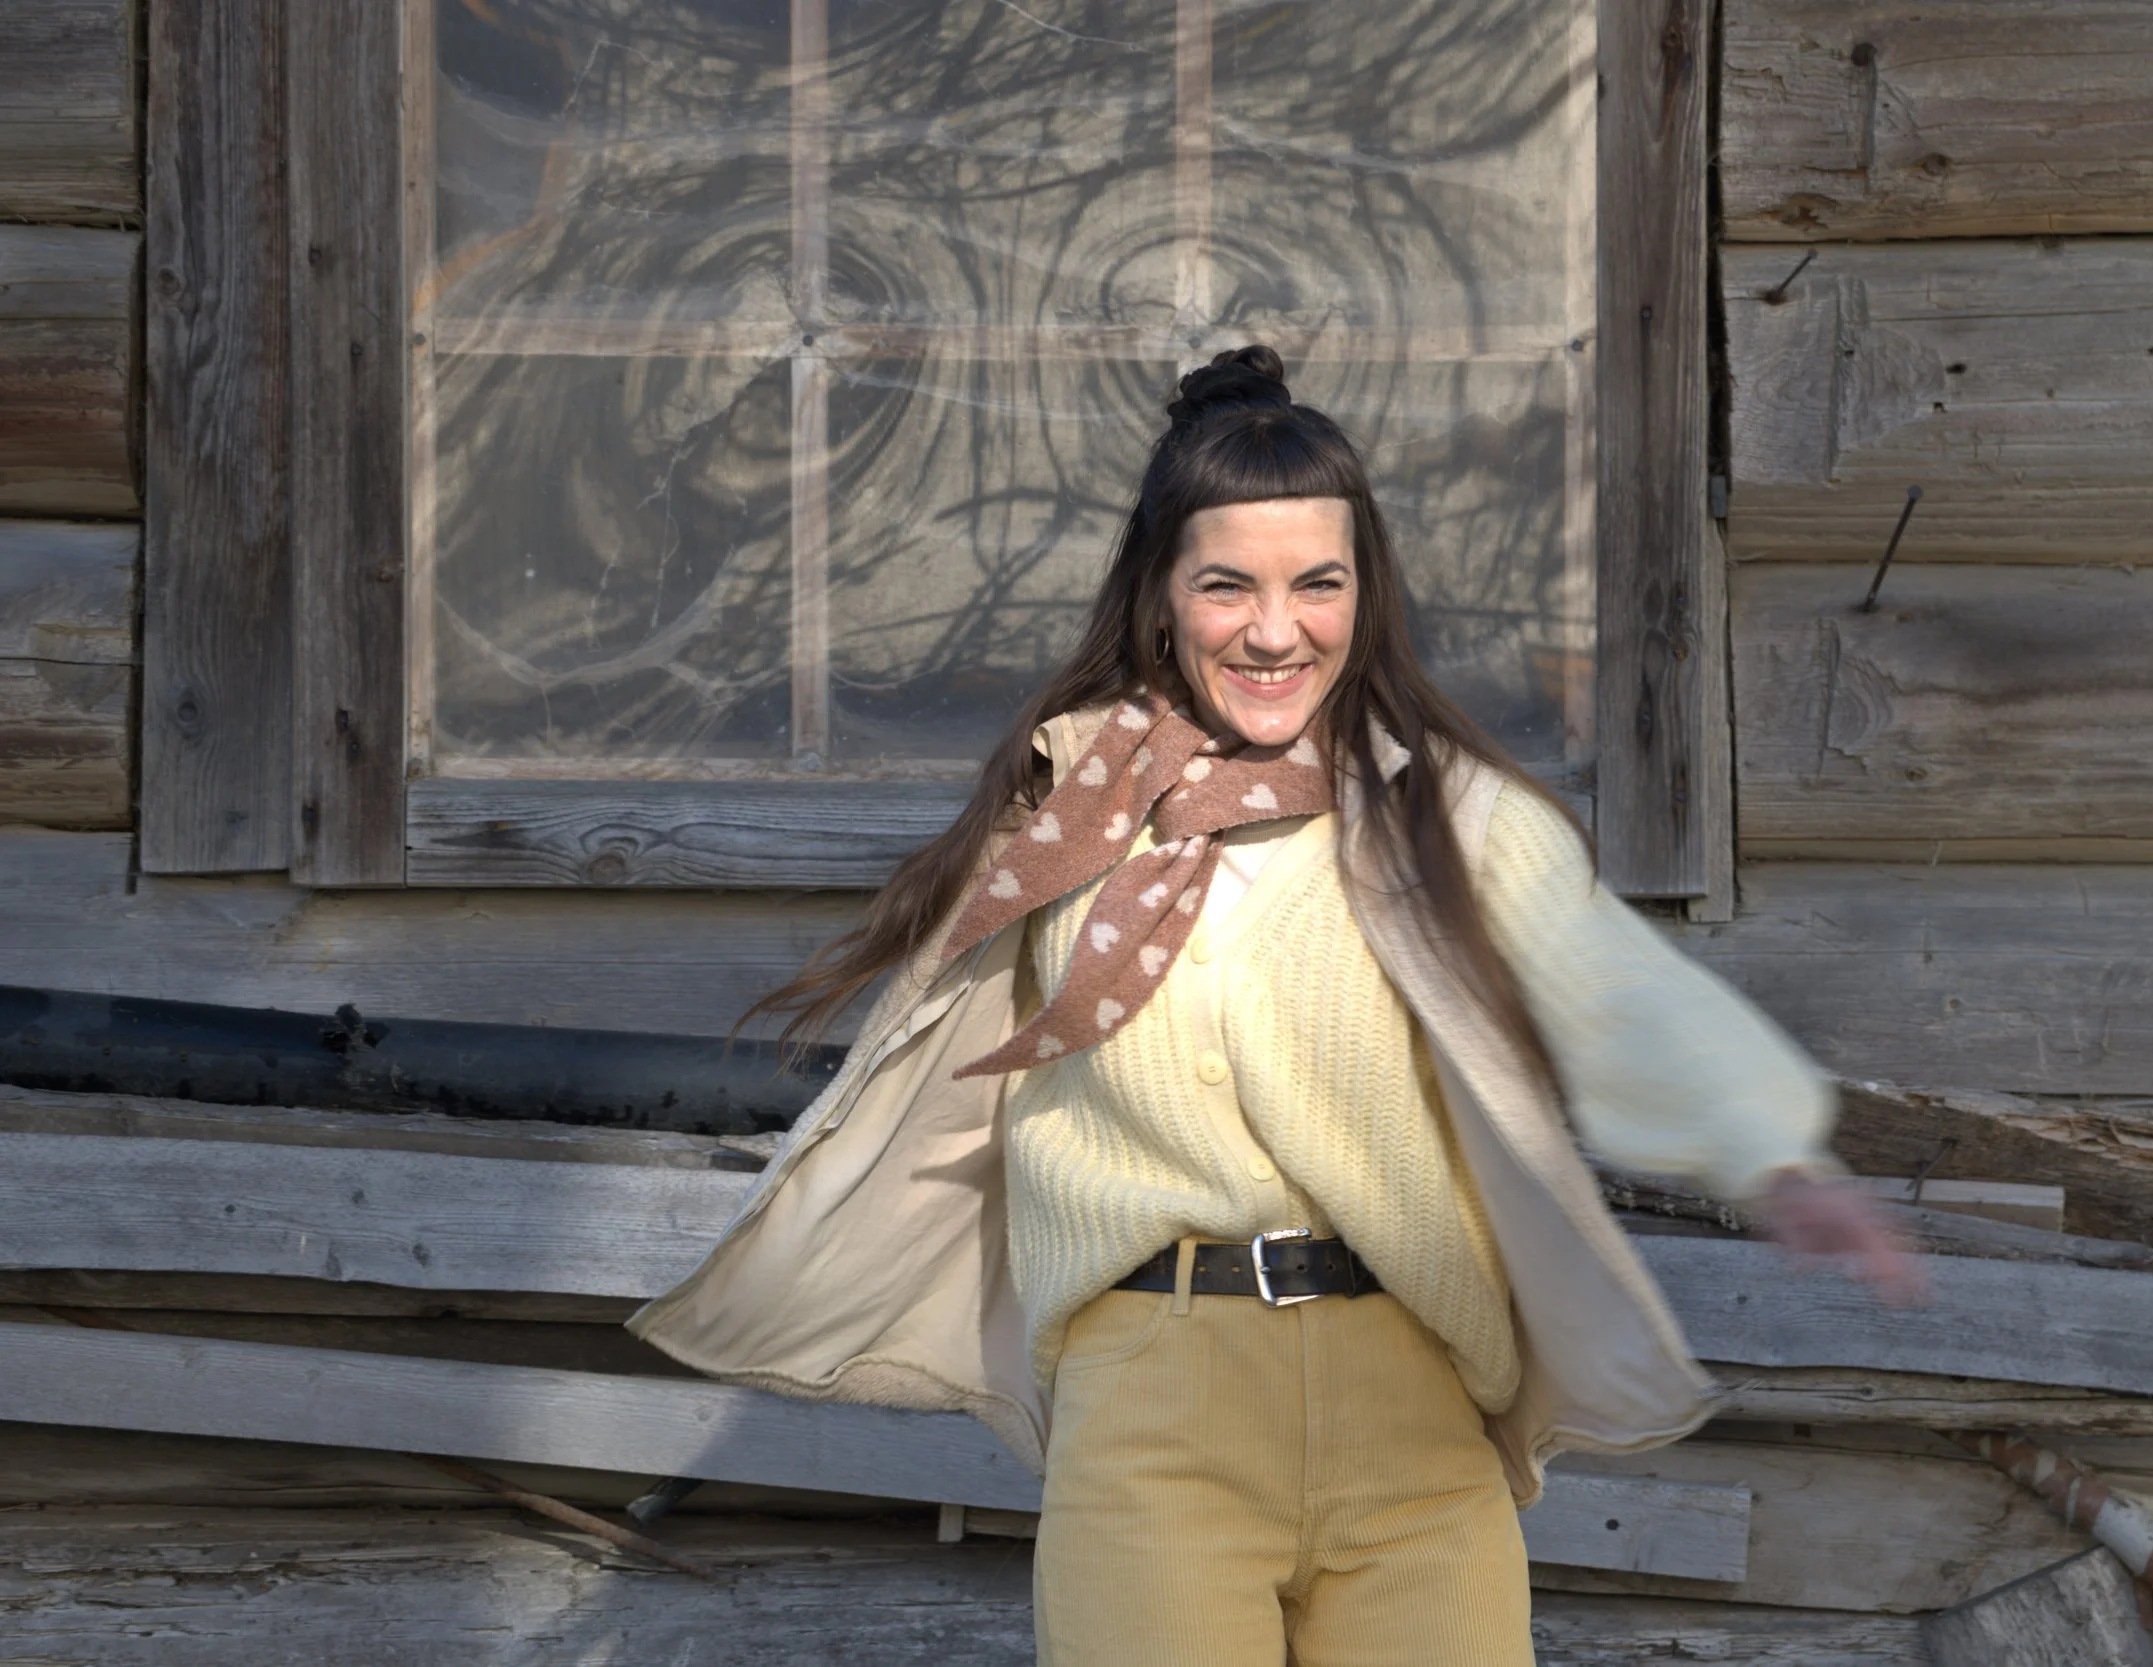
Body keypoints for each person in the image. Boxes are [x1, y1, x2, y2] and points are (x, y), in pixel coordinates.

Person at [629, 345, 1918, 1666]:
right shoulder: (1069, 808)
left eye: (1318, 583)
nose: (1274, 629)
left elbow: (1611, 986)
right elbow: (938, 1058)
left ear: (1365, 592)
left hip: (1413, 1416)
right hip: (1155, 1402)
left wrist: (1769, 1151)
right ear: (1162, 592)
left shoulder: (1444, 815)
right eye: (1227, 584)